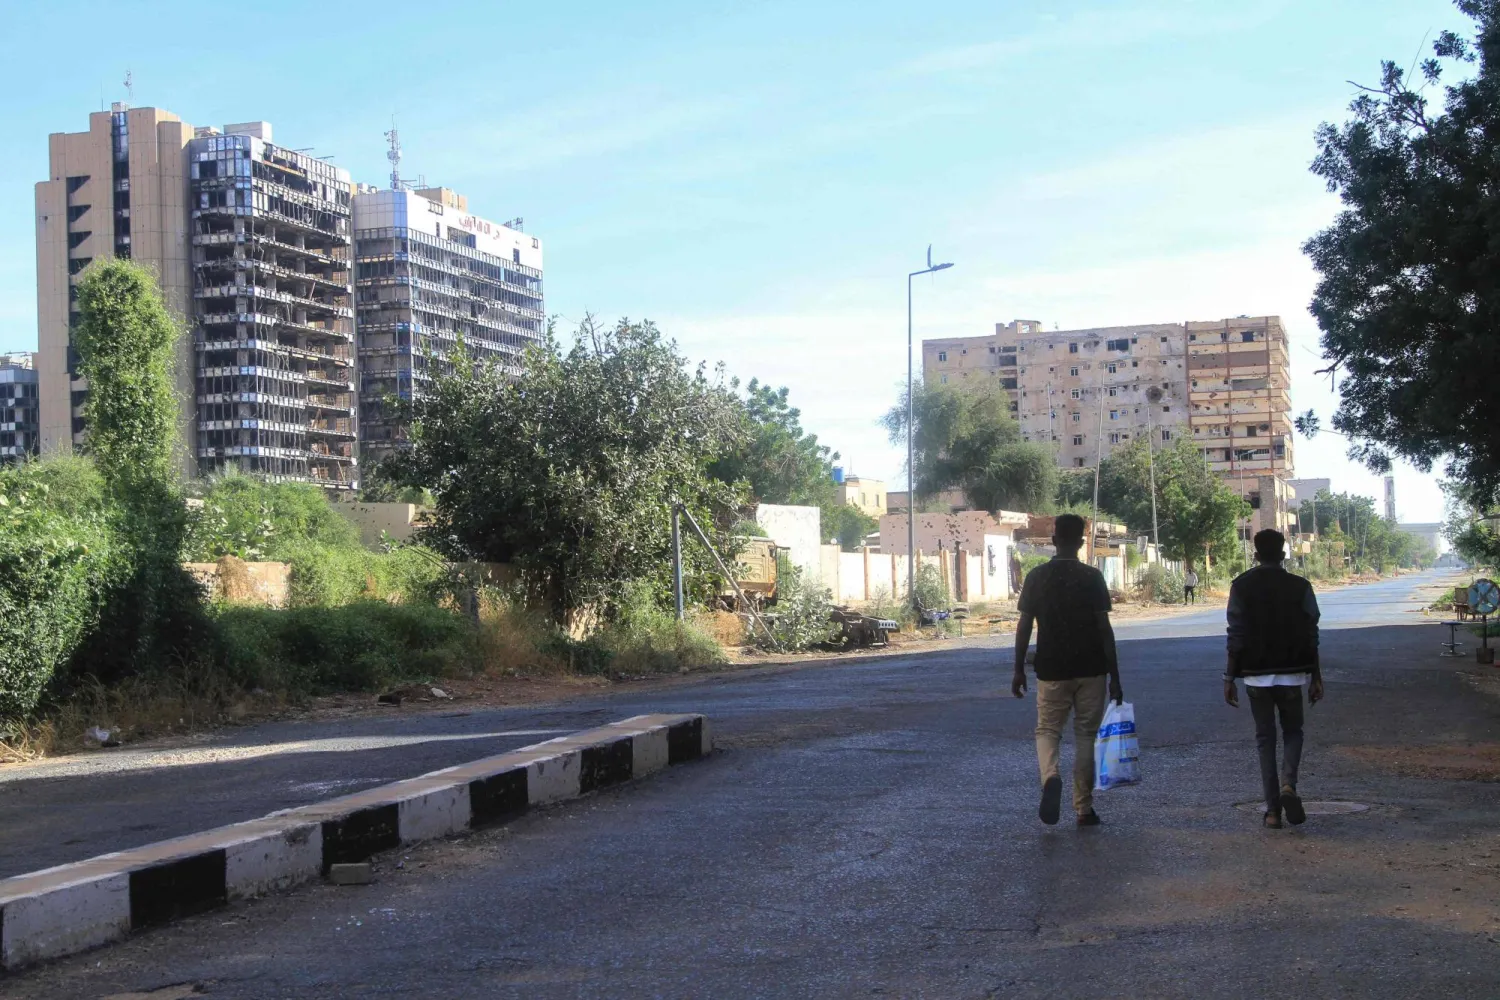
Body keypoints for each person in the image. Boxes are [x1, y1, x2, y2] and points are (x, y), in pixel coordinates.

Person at [1012, 514, 1124, 827]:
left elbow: (1024, 627)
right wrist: (1115, 675)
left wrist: (1018, 668)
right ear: (1081, 542)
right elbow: (1105, 629)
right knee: (1087, 735)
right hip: (1092, 668)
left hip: (1051, 668)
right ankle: (1084, 809)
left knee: (1048, 730)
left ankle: (1050, 777)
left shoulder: (1037, 577)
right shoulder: (1092, 577)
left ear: (1053, 540)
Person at [1223, 528, 1323, 830]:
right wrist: (1316, 675)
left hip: (1255, 678)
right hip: (1293, 675)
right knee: (1294, 732)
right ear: (1283, 555)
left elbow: (1235, 634)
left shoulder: (1241, 586)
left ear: (1255, 555)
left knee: (1265, 740)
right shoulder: (1300, 586)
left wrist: (1230, 677)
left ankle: (1272, 812)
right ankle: (1288, 785)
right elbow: (1311, 634)